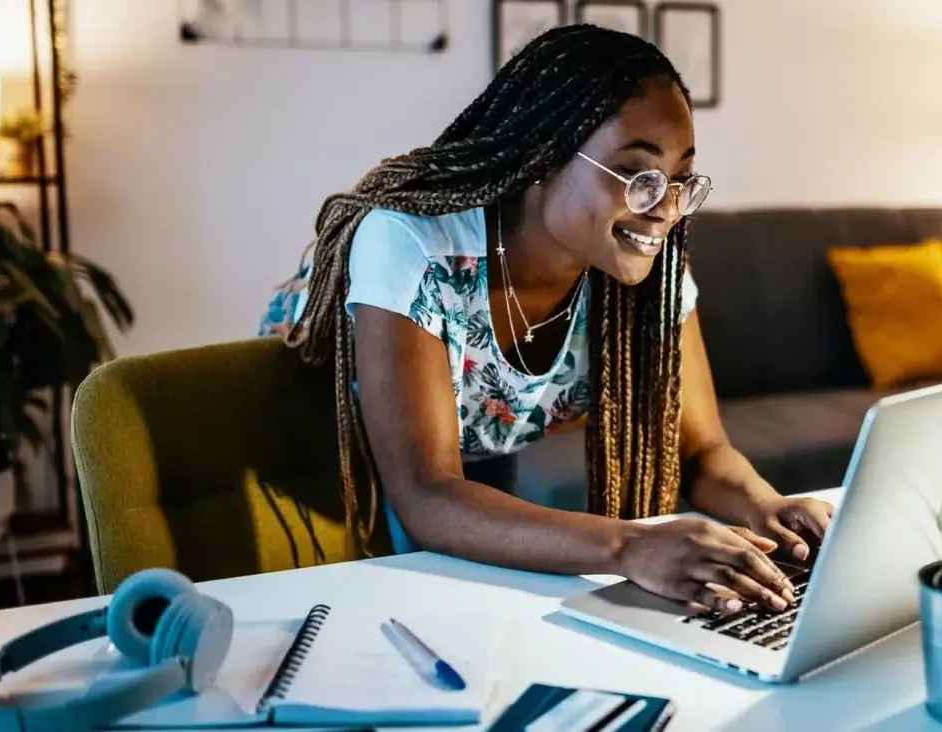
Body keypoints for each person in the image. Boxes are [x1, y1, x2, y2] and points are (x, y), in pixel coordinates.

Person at [259, 25, 832, 615]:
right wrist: (630, 546)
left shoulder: (646, 271)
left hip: (467, 465)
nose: (666, 210)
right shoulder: (413, 244)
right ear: (542, 156)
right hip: (320, 457)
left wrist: (767, 508)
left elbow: (701, 449)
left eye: (681, 180)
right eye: (640, 177)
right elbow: (428, 497)